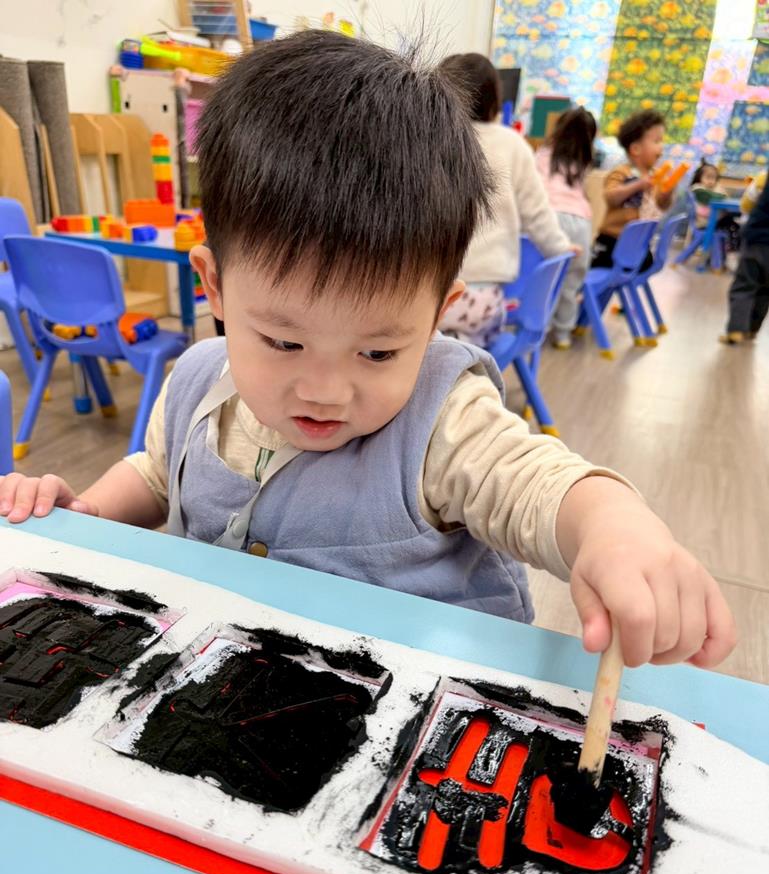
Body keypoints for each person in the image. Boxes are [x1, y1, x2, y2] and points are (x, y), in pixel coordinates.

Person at [0, 32, 734, 670]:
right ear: (215, 287)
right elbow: (160, 474)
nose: (324, 390)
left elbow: (533, 484)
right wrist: (86, 513)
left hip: (419, 717)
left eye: (378, 353)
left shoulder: (440, 418)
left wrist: (609, 526)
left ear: (438, 315)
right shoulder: (196, 379)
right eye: (283, 341)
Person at [436, 53, 572, 348]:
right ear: (494, 100)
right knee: (466, 358)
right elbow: (537, 214)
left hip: (425, 301)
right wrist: (562, 249)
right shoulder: (512, 143)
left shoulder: (427, 139)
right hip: (480, 303)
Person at [535, 107, 597, 349]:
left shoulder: (543, 155)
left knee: (547, 280)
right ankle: (563, 334)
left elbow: (536, 190)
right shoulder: (583, 162)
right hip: (580, 222)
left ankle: (540, 330)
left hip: (552, 218)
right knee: (571, 281)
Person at [592, 109, 673, 269]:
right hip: (612, 240)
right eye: (656, 141)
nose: (661, 146)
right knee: (597, 269)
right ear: (636, 149)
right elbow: (610, 197)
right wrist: (637, 185)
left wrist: (668, 192)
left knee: (646, 263)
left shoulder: (656, 175)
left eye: (662, 141)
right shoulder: (622, 172)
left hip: (639, 243)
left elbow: (662, 205)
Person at [721, 170, 769, 344]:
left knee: (744, 284)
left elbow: (746, 205)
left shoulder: (763, 178)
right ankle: (752, 330)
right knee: (765, 289)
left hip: (757, 240)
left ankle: (736, 329)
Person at [690, 160, 740, 254]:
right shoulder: (697, 189)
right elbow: (715, 197)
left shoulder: (715, 188)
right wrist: (721, 195)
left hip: (714, 220)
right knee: (730, 224)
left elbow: (723, 197)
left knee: (733, 223)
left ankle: (731, 247)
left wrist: (720, 192)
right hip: (705, 223)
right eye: (708, 177)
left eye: (714, 178)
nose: (711, 181)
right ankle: (731, 247)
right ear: (699, 177)